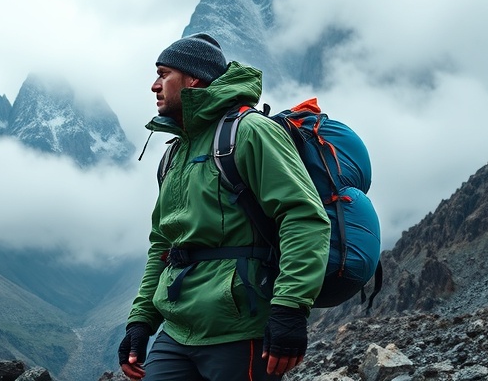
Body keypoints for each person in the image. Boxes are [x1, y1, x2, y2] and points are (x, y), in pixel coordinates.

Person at [117, 33, 331, 381]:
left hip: (239, 327)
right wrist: (141, 321)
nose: (154, 86)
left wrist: (289, 308)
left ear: (193, 79)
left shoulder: (249, 132)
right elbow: (163, 243)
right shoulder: (175, 150)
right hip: (177, 327)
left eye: (163, 74)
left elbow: (303, 217)